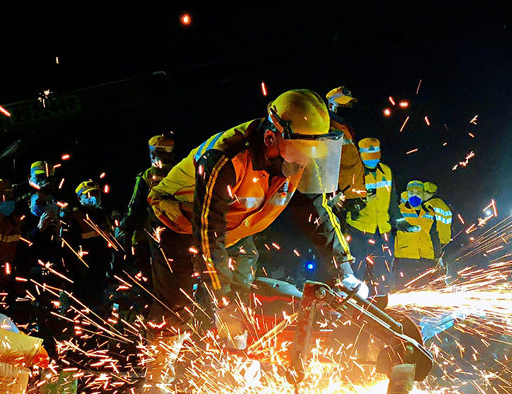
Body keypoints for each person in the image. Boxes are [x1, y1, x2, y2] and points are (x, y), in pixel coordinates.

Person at [192, 89, 367, 348]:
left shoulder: (293, 159)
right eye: (305, 148)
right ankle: (166, 377)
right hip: (179, 227)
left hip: (233, 232)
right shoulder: (227, 159)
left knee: (241, 288)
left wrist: (344, 270)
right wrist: (222, 302)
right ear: (271, 138)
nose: (309, 158)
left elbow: (315, 212)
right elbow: (208, 232)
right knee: (181, 307)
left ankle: (228, 360)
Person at [345, 137, 414, 308]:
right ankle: (352, 308)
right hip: (358, 231)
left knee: (382, 272)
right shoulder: (353, 173)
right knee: (355, 272)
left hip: (382, 231)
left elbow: (392, 202)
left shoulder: (387, 172)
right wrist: (350, 205)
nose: (373, 158)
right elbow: (341, 197)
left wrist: (400, 221)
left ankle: (380, 308)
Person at [118, 135, 176, 278]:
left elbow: (135, 208)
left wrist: (123, 228)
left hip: (147, 237)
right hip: (177, 235)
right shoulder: (180, 172)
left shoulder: (148, 176)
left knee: (150, 278)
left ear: (154, 153)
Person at [394, 181, 451, 289]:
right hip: (405, 257)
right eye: (411, 192)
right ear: (407, 193)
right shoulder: (399, 210)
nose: (414, 196)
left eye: (418, 193)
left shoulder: (429, 212)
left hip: (426, 257)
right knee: (402, 289)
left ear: (423, 194)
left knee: (422, 290)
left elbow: (434, 235)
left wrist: (437, 256)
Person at [71, 180, 114, 307]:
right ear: (80, 198)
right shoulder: (75, 215)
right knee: (87, 301)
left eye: (96, 193)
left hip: (102, 265)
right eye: (89, 194)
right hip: (85, 269)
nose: (94, 197)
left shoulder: (102, 215)